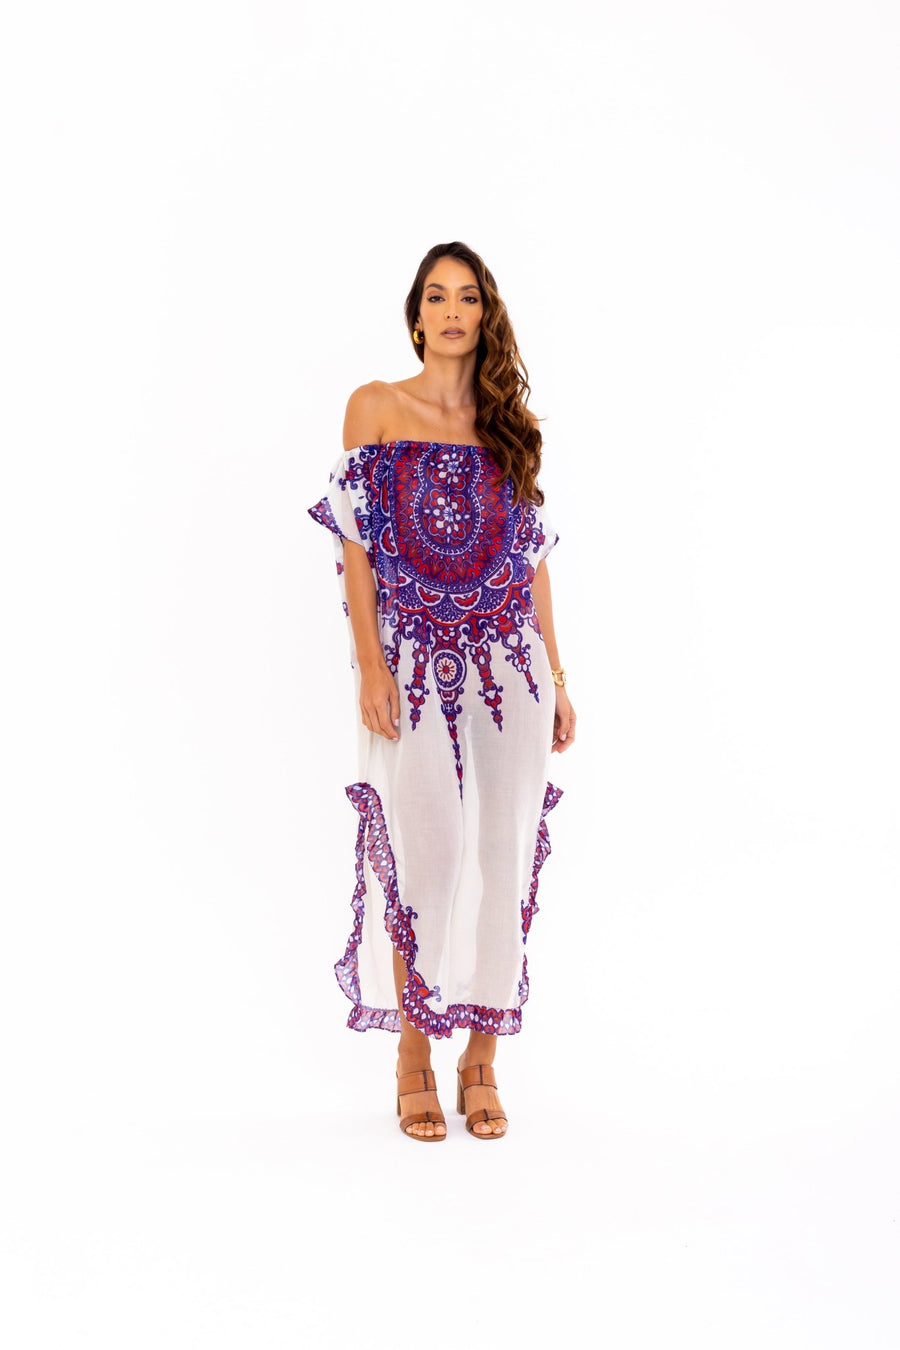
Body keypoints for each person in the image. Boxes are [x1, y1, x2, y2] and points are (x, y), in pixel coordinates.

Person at [309, 241, 575, 1142]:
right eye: (436, 296)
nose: (452, 311)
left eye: (468, 297)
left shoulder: (510, 427)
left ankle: (481, 1061)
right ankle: (414, 1055)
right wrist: (371, 664)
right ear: (416, 316)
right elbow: (353, 543)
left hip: (511, 667)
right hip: (413, 660)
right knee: (430, 850)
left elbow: (532, 564)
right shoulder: (376, 407)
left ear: (485, 315)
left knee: (504, 852)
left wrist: (558, 676)